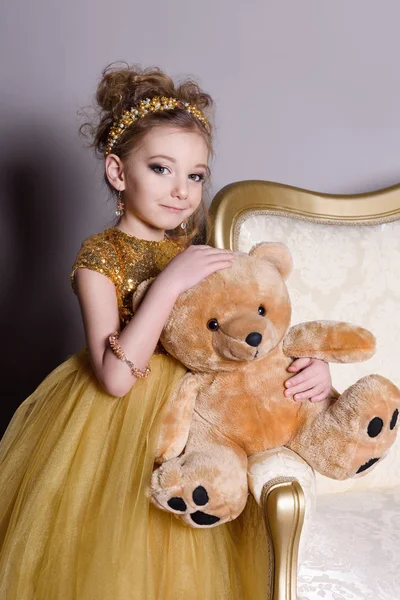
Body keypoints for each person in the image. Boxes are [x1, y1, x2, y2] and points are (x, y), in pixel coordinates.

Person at [0, 63, 332, 599]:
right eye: (161, 169)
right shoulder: (100, 260)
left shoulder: (207, 249)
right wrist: (168, 284)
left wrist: (306, 368)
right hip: (118, 431)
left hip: (204, 421)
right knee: (124, 565)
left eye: (196, 175)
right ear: (117, 172)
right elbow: (113, 377)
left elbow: (255, 330)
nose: (181, 191)